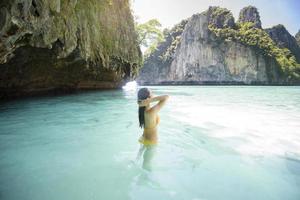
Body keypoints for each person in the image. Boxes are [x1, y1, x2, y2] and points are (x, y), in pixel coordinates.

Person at [135, 87, 169, 170]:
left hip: (144, 139)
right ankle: (145, 180)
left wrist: (147, 101)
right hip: (151, 142)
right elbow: (166, 97)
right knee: (146, 165)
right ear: (149, 98)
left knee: (138, 160)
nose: (154, 96)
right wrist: (150, 100)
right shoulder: (151, 112)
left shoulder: (142, 110)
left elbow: (139, 102)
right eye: (152, 94)